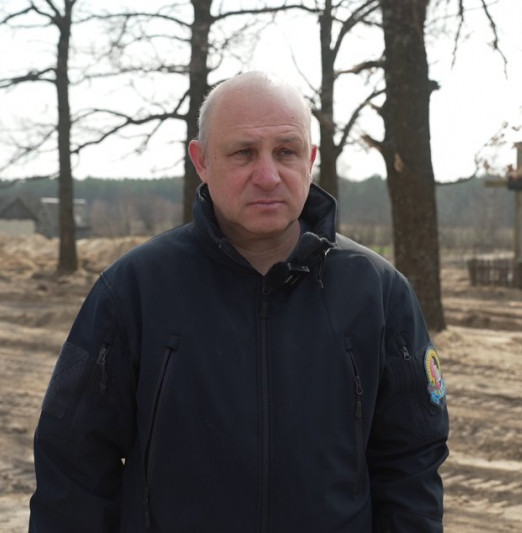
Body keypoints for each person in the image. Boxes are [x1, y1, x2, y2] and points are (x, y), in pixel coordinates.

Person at [29, 71, 449, 532]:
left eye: (286, 152)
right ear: (202, 161)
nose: (267, 176)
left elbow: (411, 463)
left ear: (310, 159)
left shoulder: (379, 292)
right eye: (244, 153)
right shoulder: (132, 289)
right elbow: (72, 466)